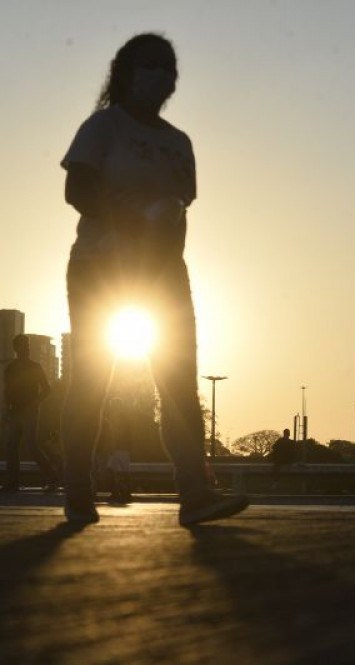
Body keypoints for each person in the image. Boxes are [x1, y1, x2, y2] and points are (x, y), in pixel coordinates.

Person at [60, 33, 248, 526]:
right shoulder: (103, 127)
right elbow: (76, 188)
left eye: (170, 69)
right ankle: (78, 490)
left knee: (179, 385)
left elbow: (180, 210)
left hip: (165, 273)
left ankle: (196, 493)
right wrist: (131, 225)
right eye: (152, 66)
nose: (163, 77)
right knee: (92, 383)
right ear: (126, 72)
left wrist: (162, 254)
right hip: (100, 267)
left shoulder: (177, 143)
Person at [2, 334, 59, 492]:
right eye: (24, 345)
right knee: (11, 448)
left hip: (30, 412)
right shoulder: (10, 368)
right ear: (16, 348)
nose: (27, 348)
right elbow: (7, 390)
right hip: (14, 412)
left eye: (27, 345)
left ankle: (52, 479)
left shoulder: (36, 366)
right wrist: (7, 409)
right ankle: (12, 483)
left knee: (31, 446)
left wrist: (36, 403)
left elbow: (47, 389)